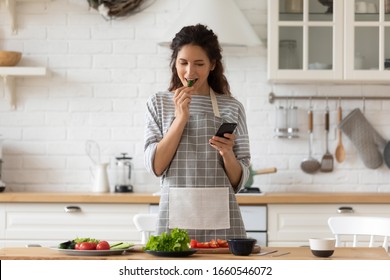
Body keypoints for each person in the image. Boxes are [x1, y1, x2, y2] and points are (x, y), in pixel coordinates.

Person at [144, 24, 251, 242]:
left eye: (199, 64)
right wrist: (181, 117)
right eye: (183, 63)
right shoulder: (159, 103)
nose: (190, 72)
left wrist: (228, 153)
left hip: (222, 220)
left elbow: (239, 181)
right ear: (174, 63)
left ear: (212, 65)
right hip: (175, 214)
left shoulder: (232, 107)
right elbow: (155, 166)